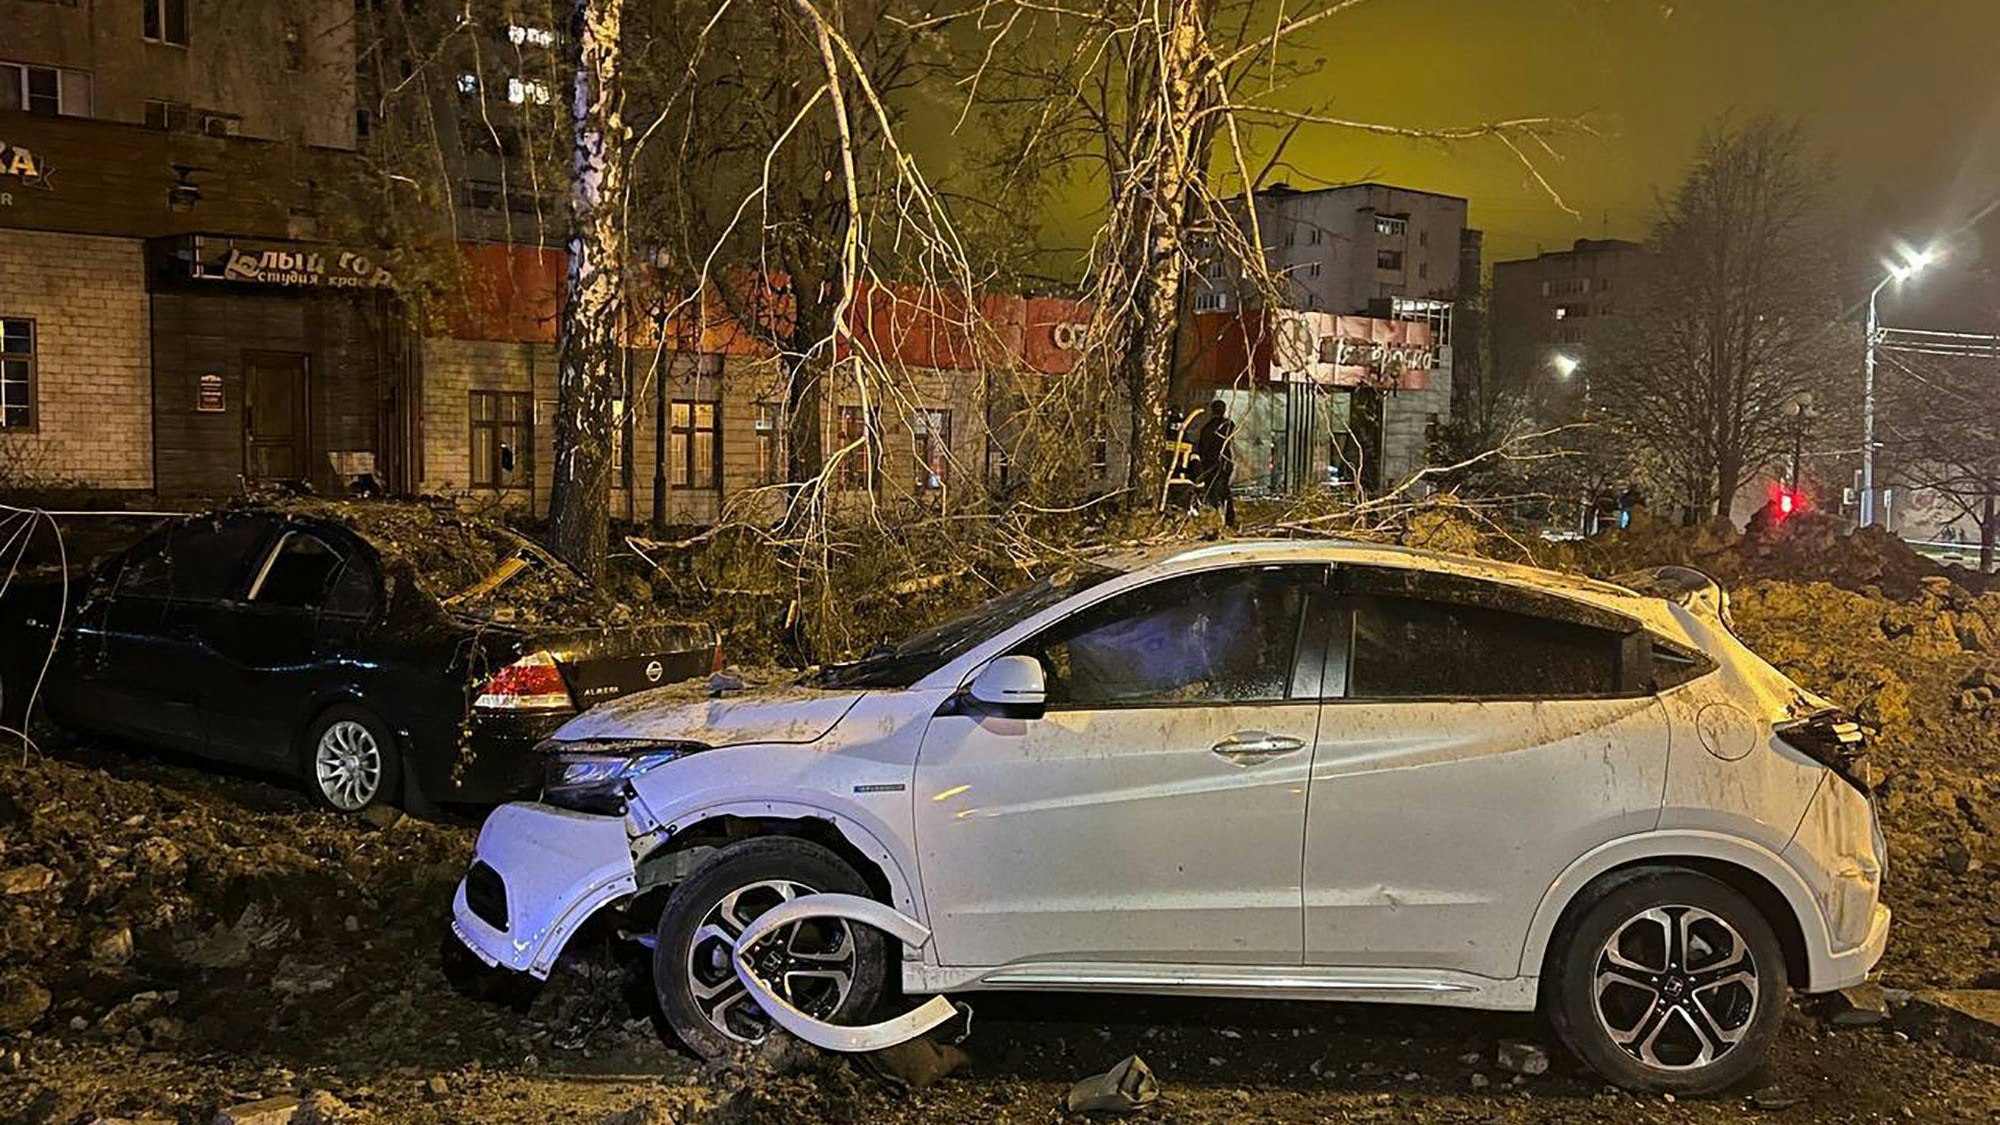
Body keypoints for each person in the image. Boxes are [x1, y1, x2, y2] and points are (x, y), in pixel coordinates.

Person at [1193, 398, 1237, 526]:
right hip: (1223, 462)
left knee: (1214, 490)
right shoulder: (1227, 425)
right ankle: (1226, 518)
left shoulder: (1208, 427)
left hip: (1211, 463)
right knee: (1222, 490)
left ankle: (1220, 517)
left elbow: (1202, 447)